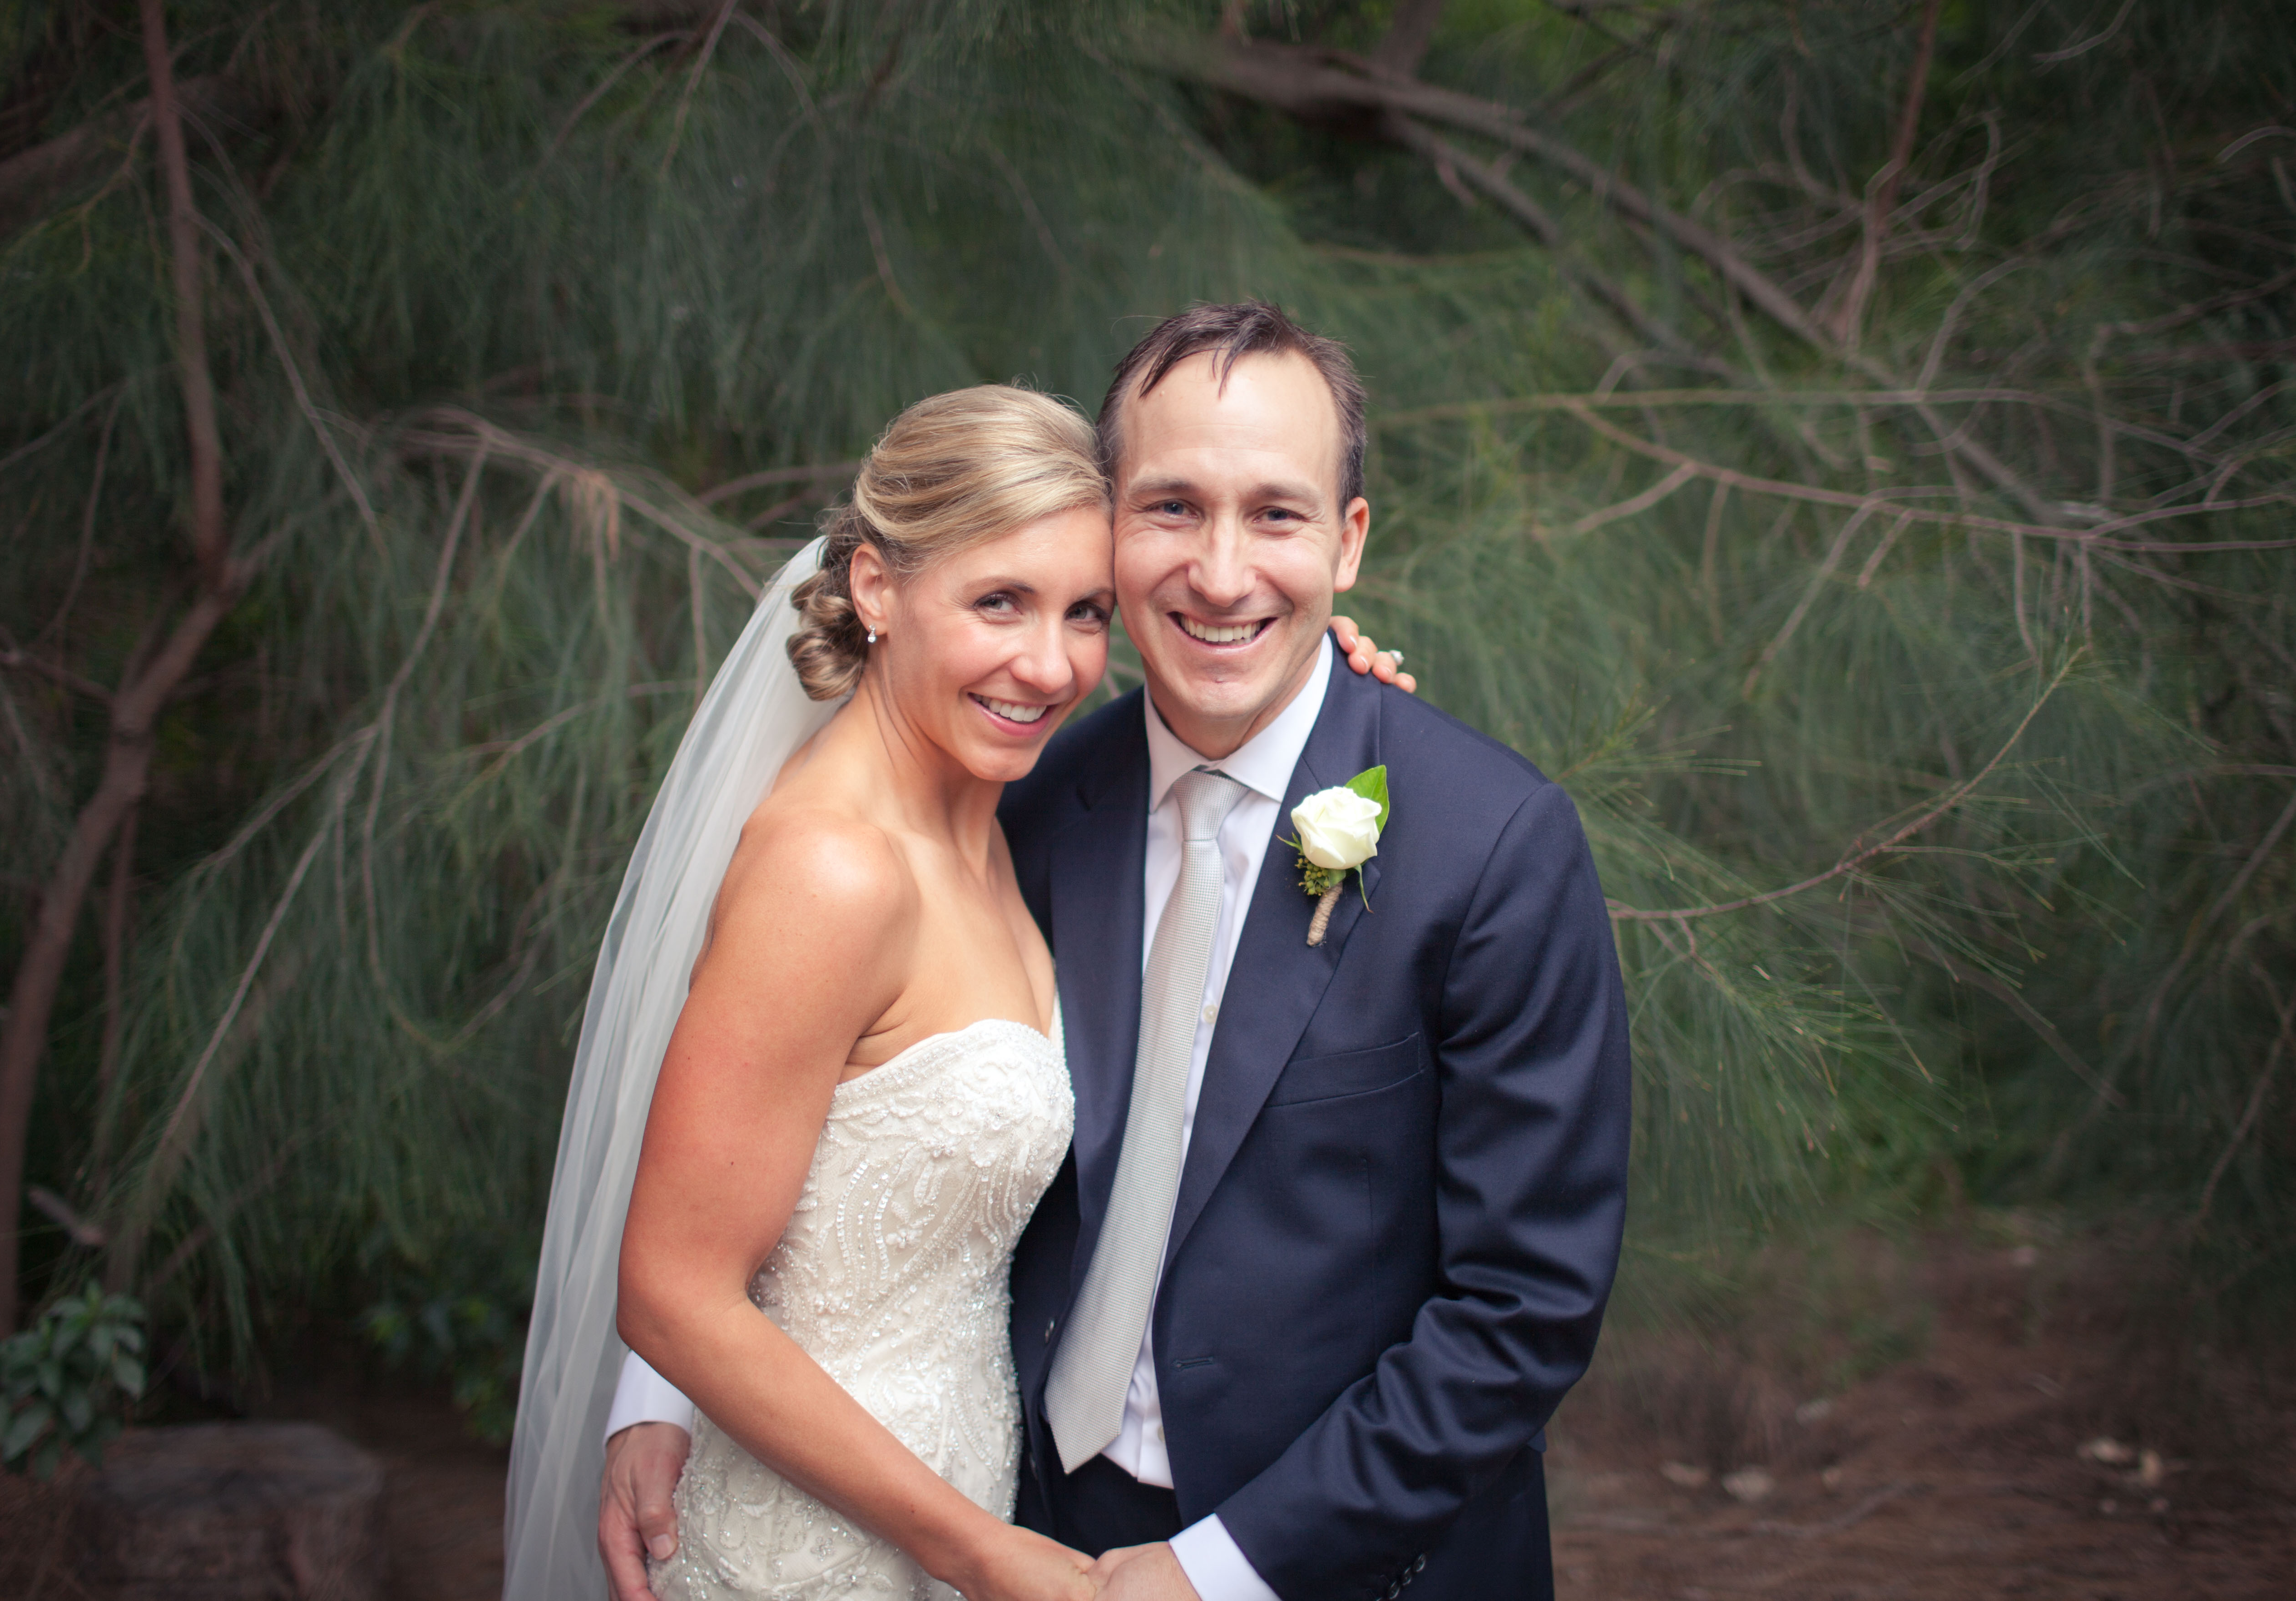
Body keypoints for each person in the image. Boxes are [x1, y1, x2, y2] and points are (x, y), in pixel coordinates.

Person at [600, 302, 1633, 1601]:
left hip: (1339, 1562)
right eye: (1172, 509)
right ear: (1115, 524)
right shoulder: (1023, 793)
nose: (1221, 572)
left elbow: (1524, 1308)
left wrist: (1219, 1573)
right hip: (1017, 1523)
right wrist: (664, 1386)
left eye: (1277, 514)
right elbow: (781, 1123)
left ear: (1349, 540)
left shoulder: (1492, 845)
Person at [504, 379, 1410, 1601]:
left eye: (1086, 612)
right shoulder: (833, 873)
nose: (1050, 665)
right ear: (877, 588)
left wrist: (1318, 676)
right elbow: (673, 1292)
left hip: (965, 1499)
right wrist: (976, 1552)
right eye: (999, 602)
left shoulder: (1014, 813)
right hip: (810, 1547)